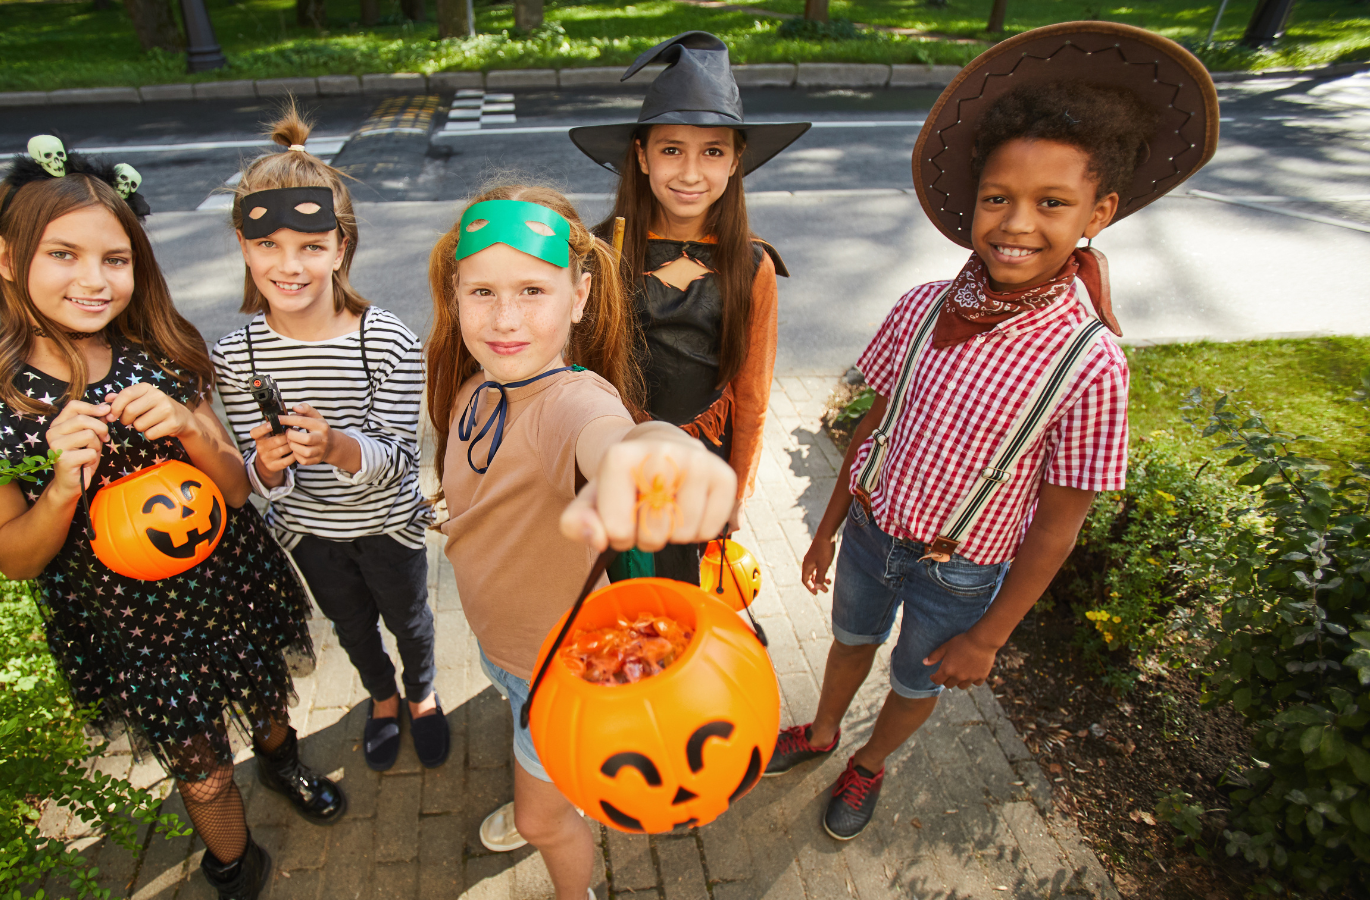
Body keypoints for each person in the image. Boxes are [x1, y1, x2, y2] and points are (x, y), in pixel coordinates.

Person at [771, 22, 1220, 842]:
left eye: (1053, 204)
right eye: (997, 199)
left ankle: (867, 762)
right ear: (973, 203)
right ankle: (825, 728)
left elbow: (1059, 524)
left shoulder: (1090, 365)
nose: (1018, 223)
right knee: (848, 639)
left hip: (962, 573)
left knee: (917, 679)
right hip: (873, 533)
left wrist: (992, 634)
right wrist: (831, 524)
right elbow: (877, 421)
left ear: (1099, 212)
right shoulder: (919, 305)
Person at [0, 137, 347, 900]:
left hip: (226, 582)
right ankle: (234, 863)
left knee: (264, 691)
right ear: (6, 257)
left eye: (116, 259)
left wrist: (193, 428)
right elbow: (15, 557)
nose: (93, 281)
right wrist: (63, 484)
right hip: (128, 624)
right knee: (199, 768)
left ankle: (281, 759)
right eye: (64, 255)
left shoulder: (163, 353)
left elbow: (233, 492)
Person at [426, 186, 738, 899]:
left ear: (579, 295)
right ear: (455, 292)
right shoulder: (477, 382)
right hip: (510, 653)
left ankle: (567, 868)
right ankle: (549, 782)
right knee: (521, 727)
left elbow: (614, 440)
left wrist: (651, 454)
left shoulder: (571, 402)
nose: (505, 318)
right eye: (484, 291)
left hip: (558, 672)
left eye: (533, 290)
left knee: (542, 820)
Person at [211, 105, 447, 773]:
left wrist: (339, 447)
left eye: (311, 247)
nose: (290, 267)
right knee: (350, 625)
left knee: (410, 620)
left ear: (341, 248)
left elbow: (403, 458)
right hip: (310, 534)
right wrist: (267, 463)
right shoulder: (236, 356)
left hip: (388, 526)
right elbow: (253, 480)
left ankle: (423, 693)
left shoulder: (388, 340)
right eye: (268, 246)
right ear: (242, 245)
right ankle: (379, 695)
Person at [569, 31, 808, 583]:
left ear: (735, 161)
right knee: (615, 584)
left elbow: (752, 392)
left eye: (713, 151)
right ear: (642, 154)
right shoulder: (599, 250)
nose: (691, 172)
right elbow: (575, 372)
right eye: (671, 149)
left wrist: (737, 490)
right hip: (614, 451)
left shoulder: (753, 266)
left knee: (677, 596)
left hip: (701, 462)